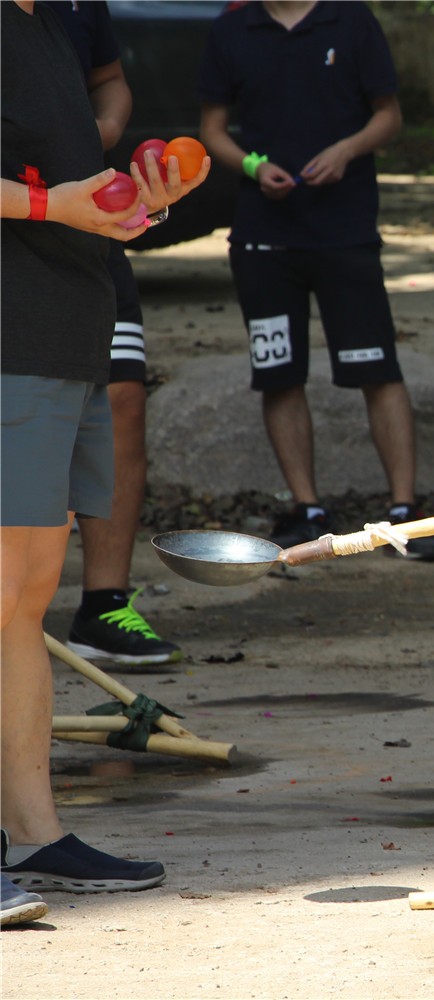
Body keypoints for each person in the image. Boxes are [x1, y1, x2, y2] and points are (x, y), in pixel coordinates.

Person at [2, 0, 206, 925]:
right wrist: (54, 204)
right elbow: (40, 194)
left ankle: (36, 834)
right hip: (9, 343)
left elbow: (61, 186)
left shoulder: (58, 23)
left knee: (26, 599)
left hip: (62, 335)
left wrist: (130, 200)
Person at [197, 0, 434, 560]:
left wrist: (346, 150)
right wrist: (254, 167)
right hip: (262, 238)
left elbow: (389, 114)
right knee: (278, 374)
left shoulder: (350, 20)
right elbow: (211, 129)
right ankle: (308, 510)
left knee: (377, 368)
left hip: (345, 230)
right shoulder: (232, 29)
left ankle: (404, 513)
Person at [45, 0, 183, 667]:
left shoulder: (79, 4)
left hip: (92, 230)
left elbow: (110, 77)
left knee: (120, 396)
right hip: (21, 229)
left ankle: (103, 605)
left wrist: (103, 125)